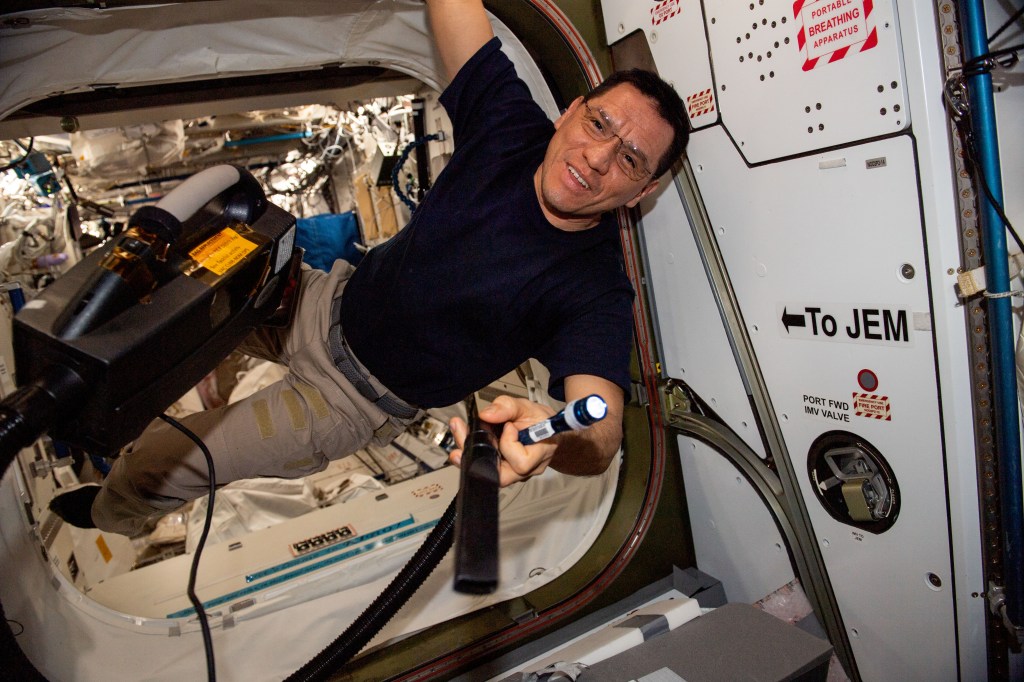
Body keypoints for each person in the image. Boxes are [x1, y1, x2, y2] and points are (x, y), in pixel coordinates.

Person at [49, 0, 690, 536]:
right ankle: (65, 382)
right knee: (183, 280)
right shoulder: (509, 128)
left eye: (632, 160)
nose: (598, 157)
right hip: (317, 299)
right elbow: (458, 16)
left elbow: (600, 427)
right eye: (599, 122)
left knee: (157, 464)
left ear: (641, 194)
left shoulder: (594, 285)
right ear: (573, 109)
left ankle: (115, 514)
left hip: (344, 400)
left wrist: (555, 441)